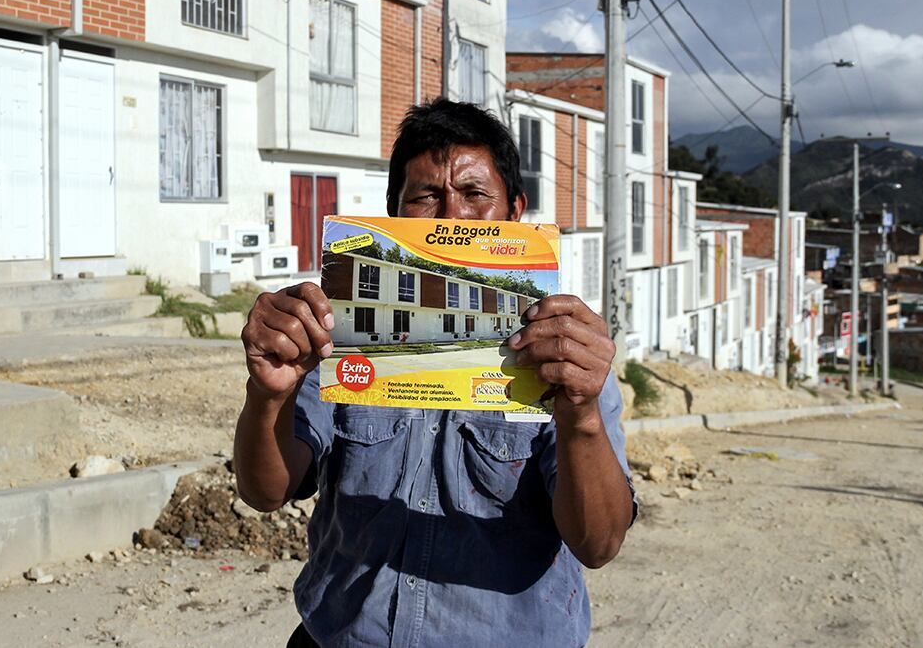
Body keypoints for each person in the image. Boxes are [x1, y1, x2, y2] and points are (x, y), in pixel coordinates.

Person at [235, 99, 637, 647]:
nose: (451, 217)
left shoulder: (563, 355)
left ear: (515, 211)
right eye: (426, 196)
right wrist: (268, 395)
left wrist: (582, 419)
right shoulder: (340, 332)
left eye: (475, 195)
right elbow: (266, 492)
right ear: (393, 214)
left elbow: (600, 544)